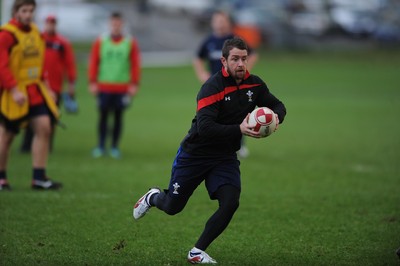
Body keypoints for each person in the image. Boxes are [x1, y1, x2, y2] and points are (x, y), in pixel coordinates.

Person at [133, 37, 286, 264]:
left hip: (224, 156)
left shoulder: (255, 85)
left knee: (231, 201)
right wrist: (240, 128)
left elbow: (279, 106)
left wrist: (274, 121)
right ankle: (153, 197)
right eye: (235, 59)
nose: (241, 64)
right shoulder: (212, 88)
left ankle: (197, 251)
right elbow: (205, 128)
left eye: (244, 58)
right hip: (195, 154)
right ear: (223, 61)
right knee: (172, 207)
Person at [0, 0, 62, 190]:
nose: (28, 14)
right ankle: (1, 177)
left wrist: (47, 86)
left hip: (35, 90)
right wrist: (13, 89)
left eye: (31, 11)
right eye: (24, 10)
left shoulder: (36, 32)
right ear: (16, 12)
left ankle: (39, 177)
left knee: (44, 127)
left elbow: (40, 62)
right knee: (7, 135)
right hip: (14, 93)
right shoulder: (7, 34)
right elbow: (2, 66)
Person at [193, 10, 258, 158]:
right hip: (215, 87)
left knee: (235, 114)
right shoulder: (209, 41)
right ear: (212, 23)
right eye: (217, 21)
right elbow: (197, 58)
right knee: (213, 114)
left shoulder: (235, 40)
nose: (220, 24)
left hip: (234, 85)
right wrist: (202, 74)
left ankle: (239, 145)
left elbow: (253, 54)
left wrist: (244, 70)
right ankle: (214, 144)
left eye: (222, 21)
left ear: (227, 22)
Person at [20, 14, 77, 153]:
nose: (50, 25)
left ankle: (47, 146)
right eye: (48, 23)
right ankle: (26, 145)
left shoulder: (62, 43)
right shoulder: (38, 39)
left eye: (53, 23)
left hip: (54, 87)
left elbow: (70, 64)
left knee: (51, 118)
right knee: (31, 116)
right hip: (36, 85)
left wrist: (71, 83)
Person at [88, 11, 141, 159]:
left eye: (118, 23)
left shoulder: (130, 42)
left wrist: (134, 84)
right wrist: (92, 82)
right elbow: (94, 62)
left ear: (122, 24)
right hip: (104, 86)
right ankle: (100, 146)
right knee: (103, 116)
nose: (116, 26)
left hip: (122, 87)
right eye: (113, 23)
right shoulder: (101, 41)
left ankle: (114, 147)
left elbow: (135, 64)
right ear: (109, 24)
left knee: (118, 117)